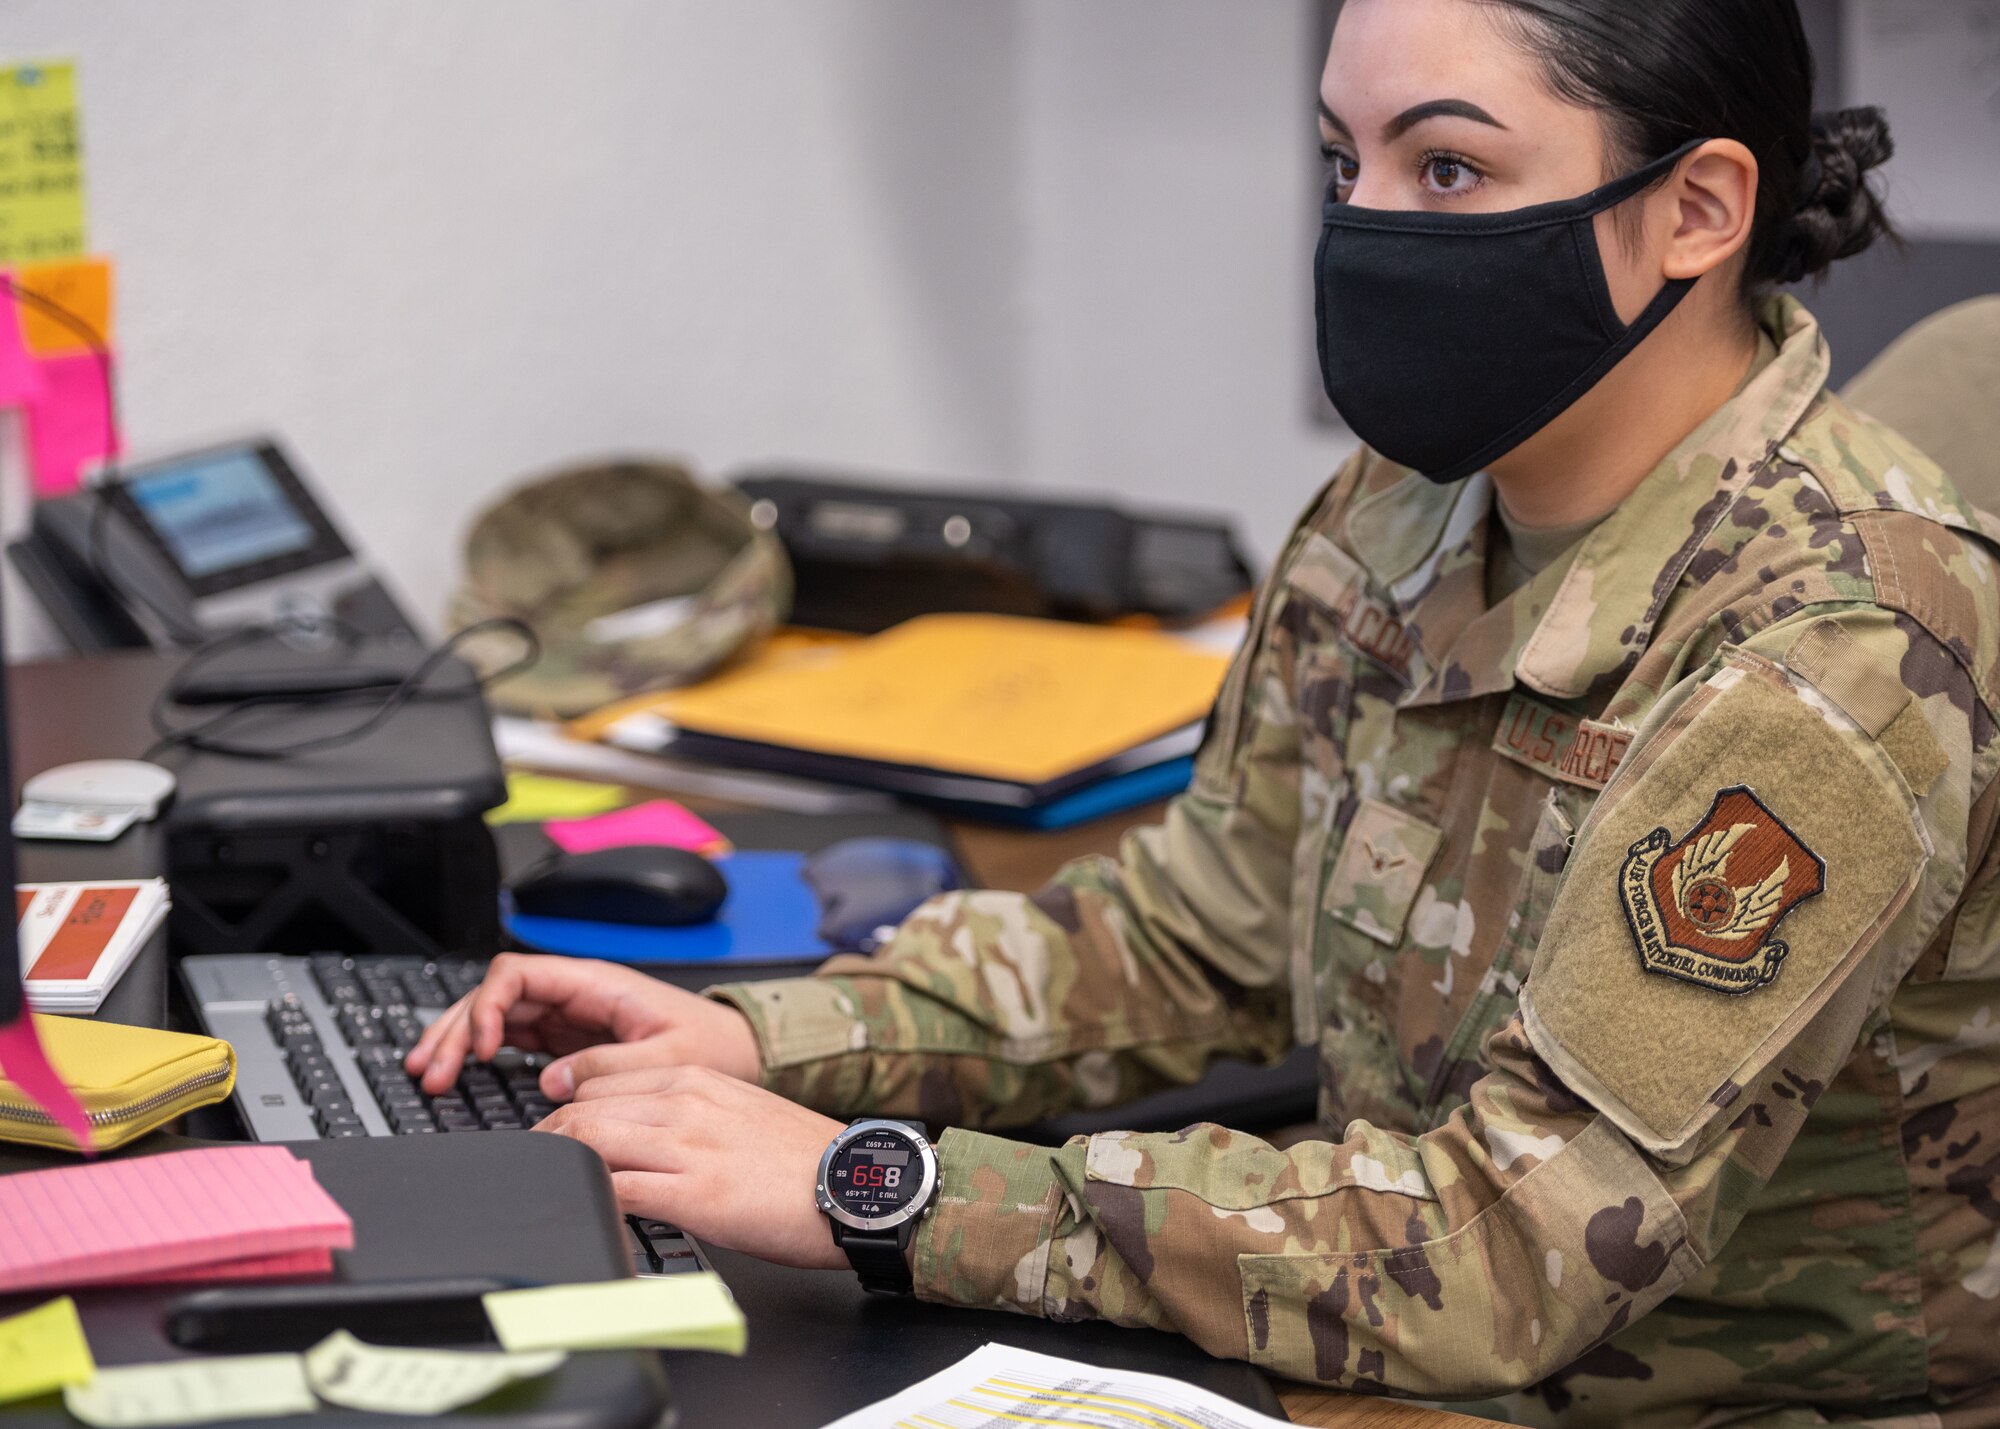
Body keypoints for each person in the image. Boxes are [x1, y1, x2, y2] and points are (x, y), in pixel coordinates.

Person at [411, 1, 2000, 1421]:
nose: (1366, 224)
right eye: (1342, 161)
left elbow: (1511, 1253)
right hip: (1369, 1352)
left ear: (1698, 210)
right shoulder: (1416, 494)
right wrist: (773, 1037)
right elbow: (1196, 934)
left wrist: (877, 1190)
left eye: (1445, 169)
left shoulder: (1839, 645)